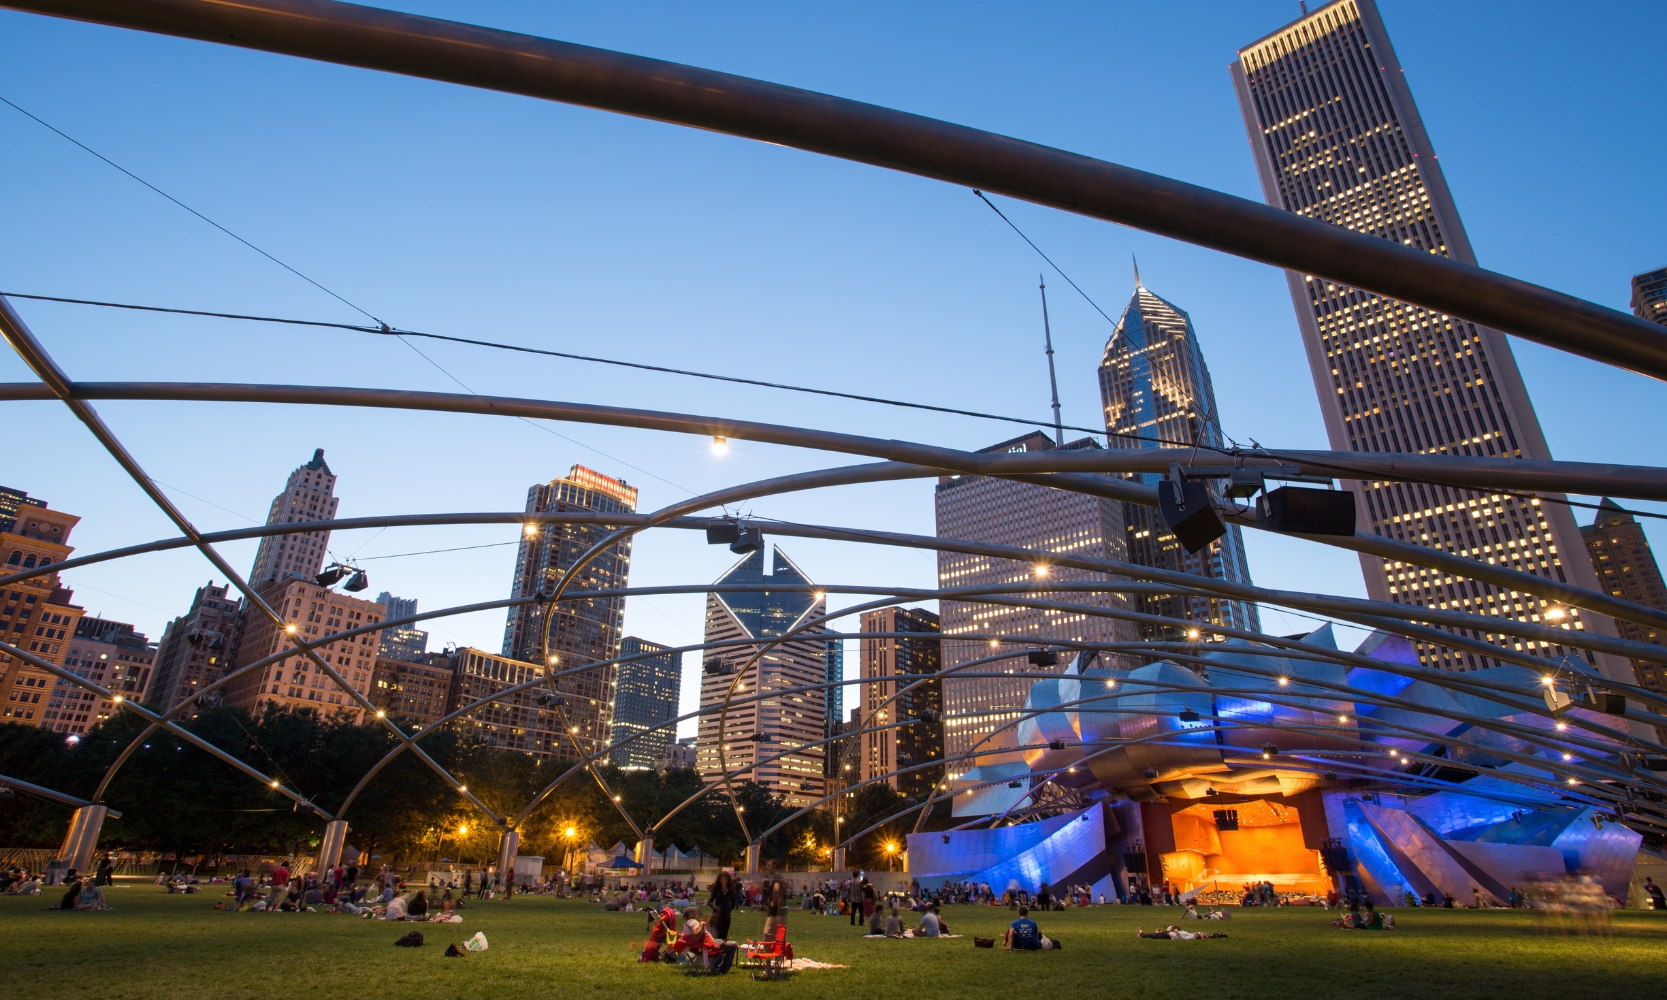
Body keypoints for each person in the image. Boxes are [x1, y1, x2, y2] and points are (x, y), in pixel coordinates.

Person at [707, 872, 738, 943]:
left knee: (723, 936)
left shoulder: (731, 890)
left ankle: (722, 951)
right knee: (715, 935)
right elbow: (710, 902)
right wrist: (715, 908)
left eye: (725, 878)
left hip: (726, 916)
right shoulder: (716, 889)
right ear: (719, 879)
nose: (724, 880)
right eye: (722, 878)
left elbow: (733, 903)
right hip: (717, 915)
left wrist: (729, 909)